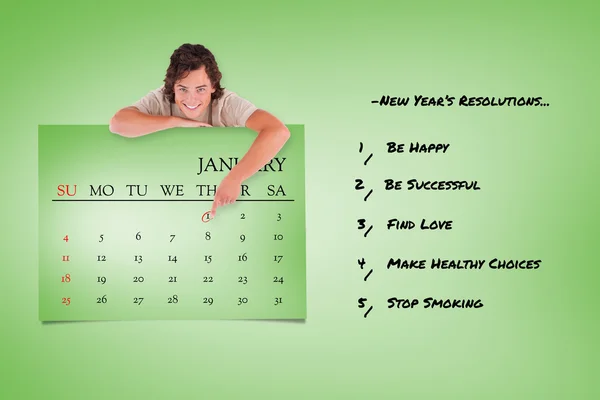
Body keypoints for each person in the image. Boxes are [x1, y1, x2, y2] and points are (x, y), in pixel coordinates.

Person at [109, 43, 290, 218]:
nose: (191, 99)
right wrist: (176, 122)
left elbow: (278, 131)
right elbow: (118, 123)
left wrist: (234, 178)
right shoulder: (161, 98)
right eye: (183, 89)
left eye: (201, 89)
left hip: (221, 201)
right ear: (173, 86)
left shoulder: (227, 103)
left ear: (213, 86)